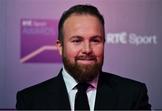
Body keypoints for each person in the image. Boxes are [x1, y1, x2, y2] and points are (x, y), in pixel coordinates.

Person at [16, 4, 151, 110]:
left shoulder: (133, 95)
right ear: (60, 47)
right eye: (76, 40)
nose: (87, 49)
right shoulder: (30, 100)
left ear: (104, 43)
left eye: (95, 40)